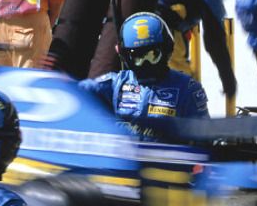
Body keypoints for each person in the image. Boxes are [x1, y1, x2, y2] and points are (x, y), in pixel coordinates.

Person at [80, 12, 209, 139]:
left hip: (166, 158)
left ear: (166, 50)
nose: (146, 63)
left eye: (153, 55)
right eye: (138, 57)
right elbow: (78, 91)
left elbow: (205, 135)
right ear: (125, 56)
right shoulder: (116, 83)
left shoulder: (186, 88)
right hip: (125, 157)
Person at [153, 0, 237, 100]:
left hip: (150, 13)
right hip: (166, 24)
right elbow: (214, 38)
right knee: (181, 90)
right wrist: (228, 79)